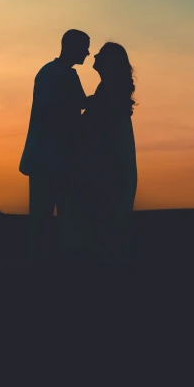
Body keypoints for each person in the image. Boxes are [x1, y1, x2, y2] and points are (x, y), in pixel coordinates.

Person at [61, 42, 138, 269]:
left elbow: (93, 128)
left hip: (109, 173)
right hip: (114, 170)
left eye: (101, 54)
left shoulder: (108, 92)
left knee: (105, 233)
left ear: (109, 63)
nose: (94, 55)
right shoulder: (109, 90)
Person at [19, 29, 90, 261]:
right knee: (45, 218)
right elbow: (55, 112)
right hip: (49, 158)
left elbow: (80, 103)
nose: (88, 53)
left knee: (60, 218)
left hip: (59, 158)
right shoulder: (52, 74)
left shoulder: (62, 74)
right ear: (72, 47)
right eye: (85, 47)